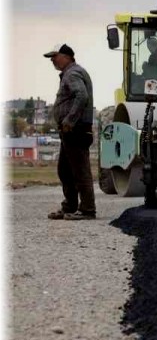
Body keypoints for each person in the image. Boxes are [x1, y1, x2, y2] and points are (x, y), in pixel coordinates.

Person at [44, 43, 96, 221]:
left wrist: (69, 120)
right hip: (71, 130)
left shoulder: (72, 73)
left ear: (66, 56)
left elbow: (82, 96)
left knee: (80, 171)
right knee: (65, 170)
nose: (52, 60)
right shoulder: (71, 73)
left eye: (54, 56)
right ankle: (70, 207)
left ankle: (88, 210)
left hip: (75, 129)